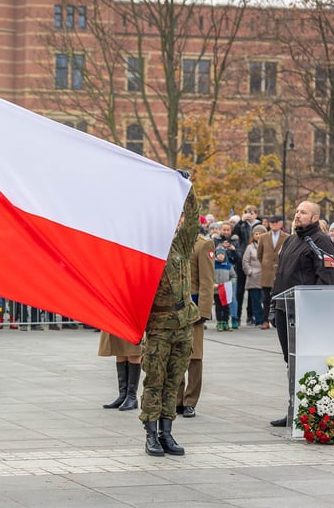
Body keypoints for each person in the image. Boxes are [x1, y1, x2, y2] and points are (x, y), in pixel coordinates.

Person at [140, 176, 198, 457]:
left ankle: (167, 433)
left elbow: (193, 221)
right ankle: (151, 434)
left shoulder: (181, 247)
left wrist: (187, 189)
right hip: (159, 328)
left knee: (174, 382)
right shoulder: (146, 253)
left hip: (183, 326)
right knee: (154, 380)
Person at [269, 201, 334, 427]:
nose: (297, 215)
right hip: (283, 309)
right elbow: (279, 276)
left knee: (305, 362)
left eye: (303, 212)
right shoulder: (290, 240)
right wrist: (273, 305)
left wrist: (315, 313)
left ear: (315, 218)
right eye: (297, 211)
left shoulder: (321, 242)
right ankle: (293, 408)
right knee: (291, 362)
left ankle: (308, 410)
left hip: (304, 313)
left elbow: (326, 280)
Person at [177, 230, 214, 418]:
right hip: (173, 307)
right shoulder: (171, 240)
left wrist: (204, 311)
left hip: (193, 307)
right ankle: (176, 399)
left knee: (194, 355)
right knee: (174, 355)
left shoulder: (203, 244)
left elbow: (207, 281)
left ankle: (190, 401)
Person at [98, 325, 141, 411]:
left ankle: (131, 396)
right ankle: (123, 395)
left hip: (131, 316)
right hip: (117, 315)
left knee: (133, 351)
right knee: (119, 349)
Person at [256, 215, 288, 331]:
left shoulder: (287, 237)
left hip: (281, 272)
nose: (274, 224)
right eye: (272, 222)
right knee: (266, 298)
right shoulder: (264, 237)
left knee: (279, 297)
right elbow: (259, 254)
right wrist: (265, 263)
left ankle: (279, 322)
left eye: (276, 222)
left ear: (281, 224)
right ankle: (265, 320)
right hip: (267, 272)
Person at [242, 225, 267, 327]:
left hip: (266, 277)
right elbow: (245, 261)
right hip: (254, 277)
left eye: (260, 233)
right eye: (256, 234)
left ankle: (266, 319)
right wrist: (250, 272)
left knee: (265, 300)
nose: (258, 236)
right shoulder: (250, 247)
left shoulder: (268, 246)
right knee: (255, 301)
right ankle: (259, 320)